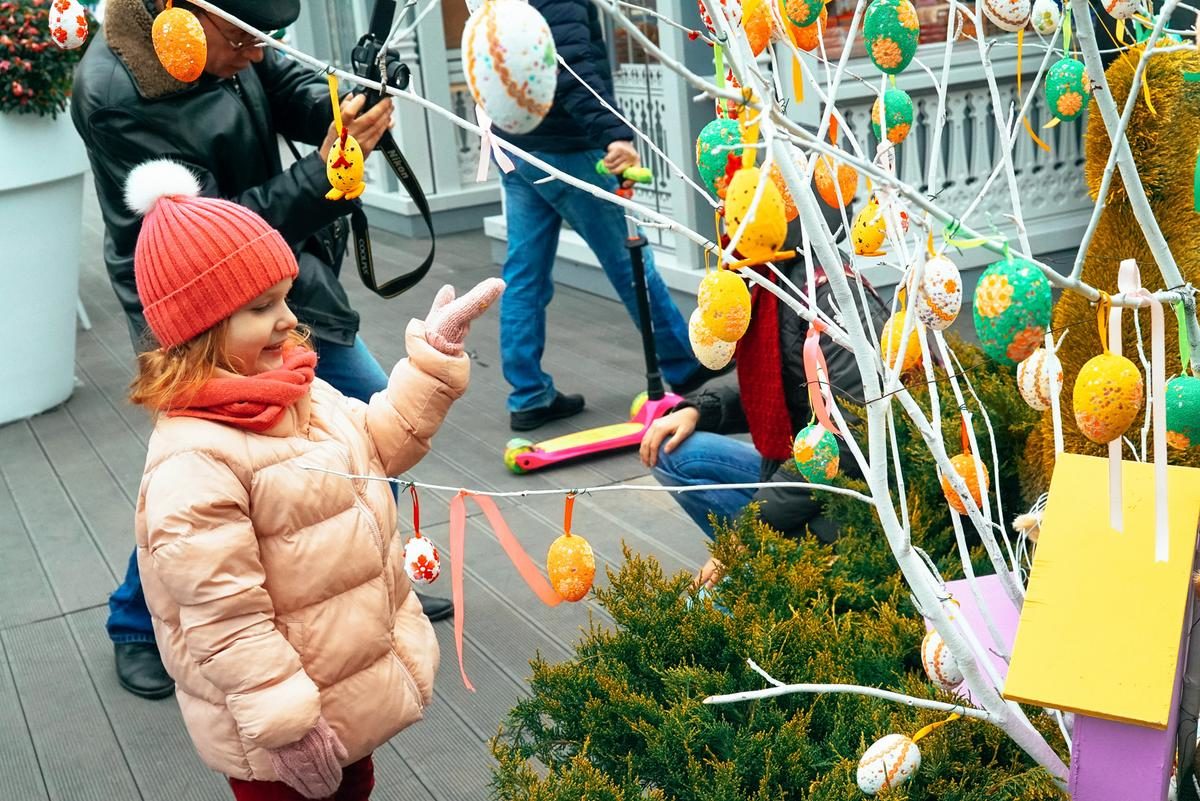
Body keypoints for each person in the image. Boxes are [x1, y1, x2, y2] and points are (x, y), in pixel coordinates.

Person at [71, 0, 453, 700]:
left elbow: (291, 93)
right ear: (179, 20)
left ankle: (363, 579)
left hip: (278, 279)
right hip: (193, 306)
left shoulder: (227, 30)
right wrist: (330, 170)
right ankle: (136, 620)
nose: (260, 52)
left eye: (268, 38)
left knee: (351, 432)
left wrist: (351, 100)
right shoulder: (113, 88)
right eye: (248, 39)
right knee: (213, 472)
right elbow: (211, 229)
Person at [123, 159, 503, 800]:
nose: (285, 319)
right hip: (282, 736)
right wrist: (288, 726)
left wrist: (432, 361)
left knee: (356, 790)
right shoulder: (193, 463)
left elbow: (378, 444)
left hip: (340, 695)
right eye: (259, 307)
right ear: (200, 331)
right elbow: (225, 619)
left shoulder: (299, 390)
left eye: (283, 297)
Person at [492, 0, 725, 432]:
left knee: (524, 275)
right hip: (568, 148)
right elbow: (571, 65)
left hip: (515, 146)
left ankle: (528, 394)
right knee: (630, 260)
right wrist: (613, 133)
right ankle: (684, 369)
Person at [639, 242, 890, 579]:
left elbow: (854, 437)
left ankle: (767, 571)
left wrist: (751, 532)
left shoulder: (826, 295)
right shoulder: (768, 277)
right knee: (675, 451)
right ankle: (756, 568)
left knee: (701, 610)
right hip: (796, 469)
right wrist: (700, 408)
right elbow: (772, 377)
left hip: (847, 502)